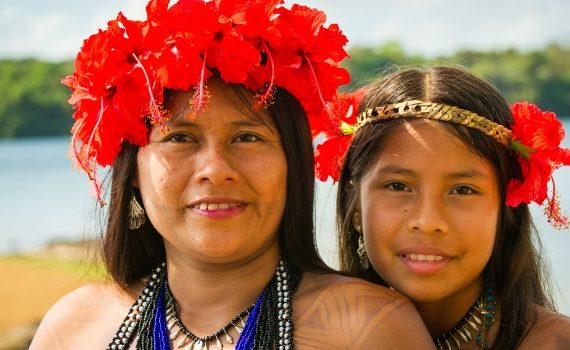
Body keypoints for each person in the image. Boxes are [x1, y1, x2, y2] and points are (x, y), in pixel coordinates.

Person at [30, 1, 434, 349]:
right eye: (181, 138)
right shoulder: (72, 329)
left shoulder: (370, 329)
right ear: (133, 172)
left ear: (293, 162)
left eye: (246, 137)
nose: (215, 170)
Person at [314, 65, 570, 349]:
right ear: (356, 206)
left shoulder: (554, 342)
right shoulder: (302, 336)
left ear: (504, 211)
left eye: (462, 190)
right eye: (398, 186)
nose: (427, 220)